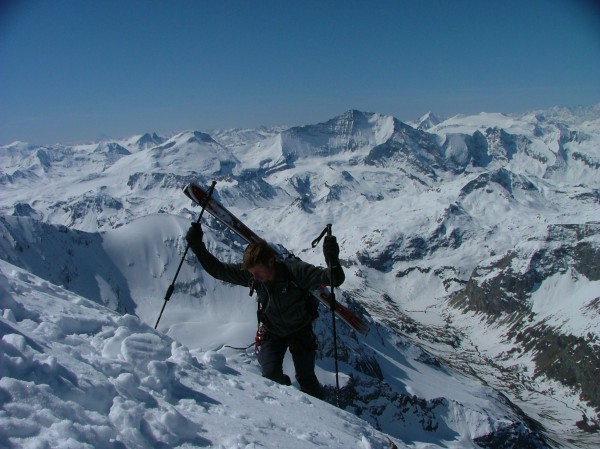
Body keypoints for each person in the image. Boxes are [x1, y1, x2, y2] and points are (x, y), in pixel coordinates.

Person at [185, 222, 344, 399]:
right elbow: (219, 270)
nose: (255, 278)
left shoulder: (295, 271)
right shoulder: (255, 277)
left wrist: (333, 261)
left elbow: (333, 279)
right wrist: (197, 245)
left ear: (270, 261)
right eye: (252, 274)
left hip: (300, 331)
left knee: (306, 380)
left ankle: (324, 417)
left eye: (258, 273)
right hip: (272, 330)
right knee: (270, 376)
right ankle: (292, 408)